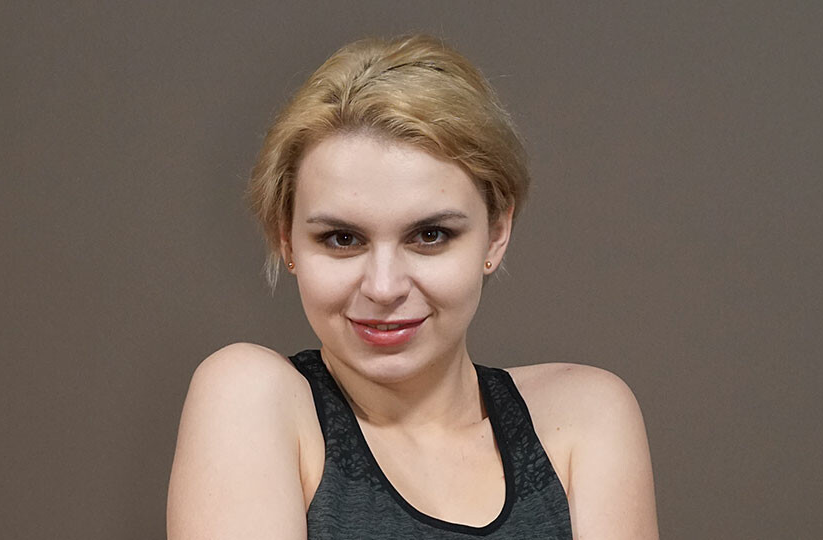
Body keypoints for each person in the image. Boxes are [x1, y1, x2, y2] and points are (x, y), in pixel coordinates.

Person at [167, 34, 659, 539]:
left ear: (496, 233)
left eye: (429, 236)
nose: (384, 288)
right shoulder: (249, 397)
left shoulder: (584, 418)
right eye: (342, 238)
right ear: (285, 239)